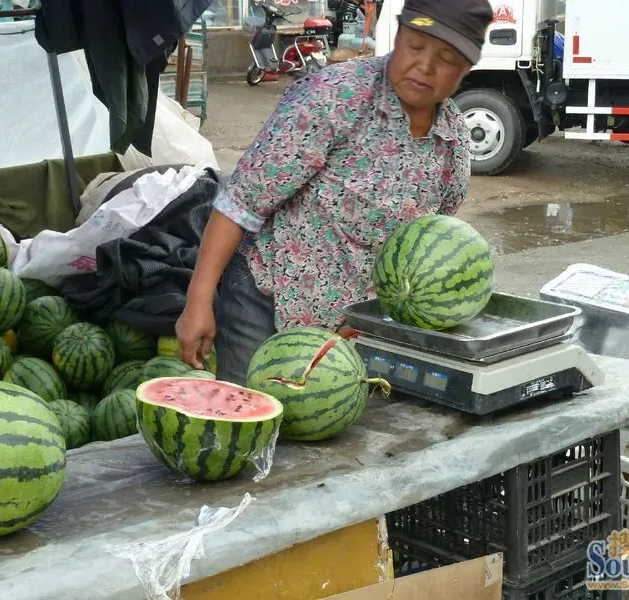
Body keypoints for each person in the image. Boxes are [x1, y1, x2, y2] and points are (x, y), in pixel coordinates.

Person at [176, 0, 494, 384]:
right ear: (397, 36)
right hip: (266, 302)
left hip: (357, 327)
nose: (424, 67)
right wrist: (198, 300)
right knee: (249, 429)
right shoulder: (332, 98)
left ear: (466, 70)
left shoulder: (454, 140)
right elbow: (241, 202)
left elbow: (430, 240)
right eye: (414, 46)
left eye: (445, 59)